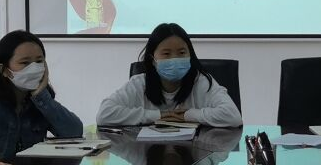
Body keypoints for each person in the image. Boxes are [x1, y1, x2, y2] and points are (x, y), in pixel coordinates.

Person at [0, 29, 84, 160]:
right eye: (25, 63)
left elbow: (74, 132)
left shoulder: (40, 102)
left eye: (39, 61)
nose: (34, 68)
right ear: (4, 70)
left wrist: (41, 97)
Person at [95, 23, 241, 128]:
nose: (175, 59)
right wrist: (158, 115)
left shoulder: (202, 82)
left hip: (195, 153)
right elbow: (104, 114)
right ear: (153, 60)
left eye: (182, 53)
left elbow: (233, 117)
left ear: (190, 55)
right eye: (166, 53)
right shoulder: (139, 83)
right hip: (148, 152)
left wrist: (188, 115)